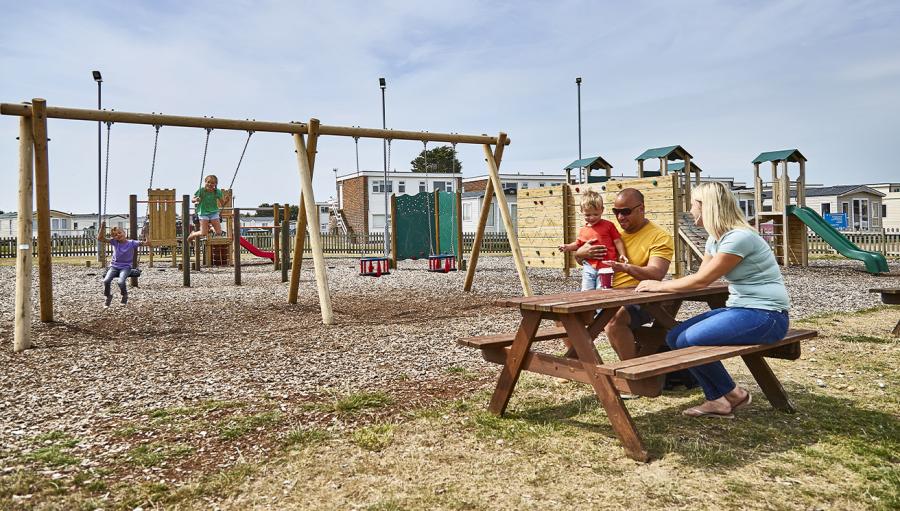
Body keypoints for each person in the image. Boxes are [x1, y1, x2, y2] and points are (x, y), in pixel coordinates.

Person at [635, 181, 790, 418]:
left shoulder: (739, 238)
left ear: (705, 206)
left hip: (767, 316)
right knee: (674, 336)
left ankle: (726, 396)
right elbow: (698, 277)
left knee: (689, 339)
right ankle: (725, 397)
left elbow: (701, 282)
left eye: (693, 205)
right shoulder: (715, 239)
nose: (690, 211)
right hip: (742, 309)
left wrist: (660, 286)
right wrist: (664, 287)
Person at [574, 188, 674, 360]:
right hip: (605, 293)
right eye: (616, 212)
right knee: (563, 317)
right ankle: (594, 372)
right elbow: (587, 263)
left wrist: (626, 268)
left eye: (626, 211)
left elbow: (656, 274)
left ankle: (632, 375)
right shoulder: (610, 231)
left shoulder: (659, 237)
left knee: (614, 320)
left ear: (641, 208)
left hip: (640, 298)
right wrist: (580, 254)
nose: (620, 217)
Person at [558, 190, 628, 291]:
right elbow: (578, 244)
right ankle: (588, 306)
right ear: (581, 211)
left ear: (602, 210)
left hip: (606, 265)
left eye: (595, 214)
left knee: (602, 289)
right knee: (586, 289)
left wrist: (622, 254)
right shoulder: (583, 230)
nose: (591, 218)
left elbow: (617, 240)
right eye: (587, 215)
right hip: (589, 265)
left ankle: (600, 307)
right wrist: (568, 247)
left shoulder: (608, 225)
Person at [98, 223, 151, 307]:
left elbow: (148, 243)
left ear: (124, 233)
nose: (118, 235)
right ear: (114, 237)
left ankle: (124, 295)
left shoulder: (132, 243)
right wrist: (102, 227)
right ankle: (108, 296)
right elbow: (100, 238)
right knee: (106, 280)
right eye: (115, 235)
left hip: (126, 267)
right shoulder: (115, 242)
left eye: (119, 233)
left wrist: (146, 233)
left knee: (121, 281)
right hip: (114, 267)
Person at [187, 174, 231, 242]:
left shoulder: (217, 191)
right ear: (205, 182)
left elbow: (223, 204)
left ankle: (210, 228)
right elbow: (192, 200)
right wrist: (196, 199)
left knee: (219, 232)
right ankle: (193, 234)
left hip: (214, 212)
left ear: (215, 184)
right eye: (208, 182)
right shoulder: (201, 190)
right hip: (203, 212)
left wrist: (227, 201)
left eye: (212, 183)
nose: (210, 184)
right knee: (203, 233)